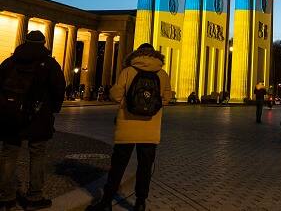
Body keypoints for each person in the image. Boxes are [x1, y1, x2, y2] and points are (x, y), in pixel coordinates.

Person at [86, 43, 172, 211]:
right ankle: (140, 203)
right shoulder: (162, 74)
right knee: (145, 167)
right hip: (150, 128)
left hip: (127, 126)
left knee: (118, 166)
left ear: (137, 54)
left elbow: (116, 94)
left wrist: (126, 103)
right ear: (154, 55)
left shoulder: (128, 71)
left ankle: (106, 202)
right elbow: (167, 97)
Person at [0, 30, 66, 211]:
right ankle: (34, 197)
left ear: (25, 41)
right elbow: (59, 88)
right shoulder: (49, 64)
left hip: (11, 116)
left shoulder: (10, 61)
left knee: (8, 155)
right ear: (44, 43)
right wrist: (53, 108)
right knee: (37, 155)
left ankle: (5, 196)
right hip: (39, 116)